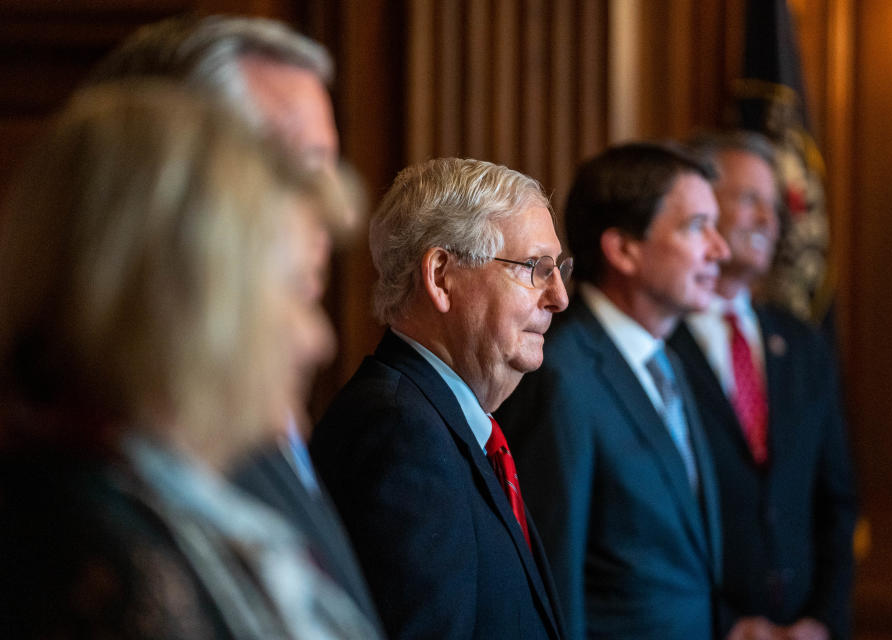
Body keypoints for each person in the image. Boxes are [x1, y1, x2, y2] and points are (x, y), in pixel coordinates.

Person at [0, 82, 379, 639]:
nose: (318, 340)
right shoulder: (87, 560)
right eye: (298, 291)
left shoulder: (156, 500)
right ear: (186, 304)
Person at [88, 15, 380, 628]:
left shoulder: (253, 408)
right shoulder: (93, 476)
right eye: (292, 173)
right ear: (167, 180)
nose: (325, 214)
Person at [310, 157, 570, 640]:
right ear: (441, 276)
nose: (559, 297)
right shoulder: (400, 435)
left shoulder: (439, 421)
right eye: (536, 268)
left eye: (559, 270)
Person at [496, 142, 730, 639]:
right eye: (696, 227)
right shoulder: (562, 376)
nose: (720, 249)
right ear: (623, 248)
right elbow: (554, 581)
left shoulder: (670, 361)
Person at [667, 131, 857, 640]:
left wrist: (823, 621)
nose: (769, 221)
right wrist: (725, 626)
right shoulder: (658, 344)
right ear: (701, 207)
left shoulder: (803, 345)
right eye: (750, 199)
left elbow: (837, 501)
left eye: (773, 206)